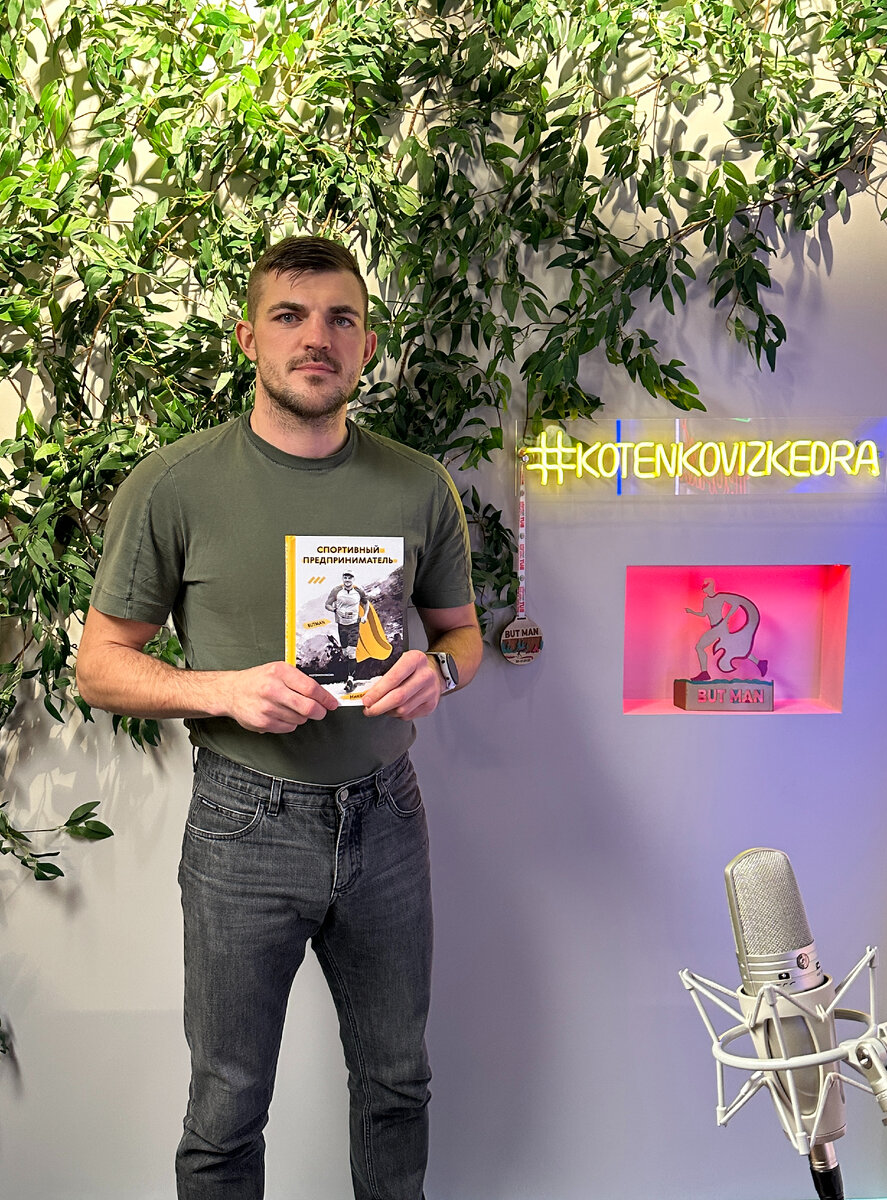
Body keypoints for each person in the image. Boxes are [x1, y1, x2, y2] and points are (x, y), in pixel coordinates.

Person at [75, 235, 483, 1200]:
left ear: (368, 345)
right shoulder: (175, 485)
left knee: (398, 1086)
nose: (316, 339)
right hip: (244, 821)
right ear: (248, 337)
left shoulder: (419, 485)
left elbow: (463, 635)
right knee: (226, 1108)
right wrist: (220, 690)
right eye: (290, 317)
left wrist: (440, 673)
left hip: (386, 816)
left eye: (341, 319)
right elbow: (99, 665)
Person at [685, 577, 767, 681]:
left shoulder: (720, 597)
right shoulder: (706, 600)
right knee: (733, 648)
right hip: (715, 627)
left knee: (700, 647)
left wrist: (726, 618)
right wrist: (692, 612)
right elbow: (703, 614)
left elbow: (735, 604)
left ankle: (704, 672)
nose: (704, 588)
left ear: (711, 586)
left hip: (720, 627)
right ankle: (759, 663)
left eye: (706, 585)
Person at [325, 570, 370, 690]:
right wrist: (335, 610)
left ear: (353, 579)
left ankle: (350, 679)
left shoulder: (359, 591)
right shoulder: (336, 591)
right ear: (342, 579)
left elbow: (366, 603)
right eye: (345, 577)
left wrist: (365, 616)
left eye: (350, 577)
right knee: (345, 652)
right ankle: (347, 673)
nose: (347, 580)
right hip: (342, 625)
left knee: (351, 652)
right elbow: (327, 604)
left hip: (354, 624)